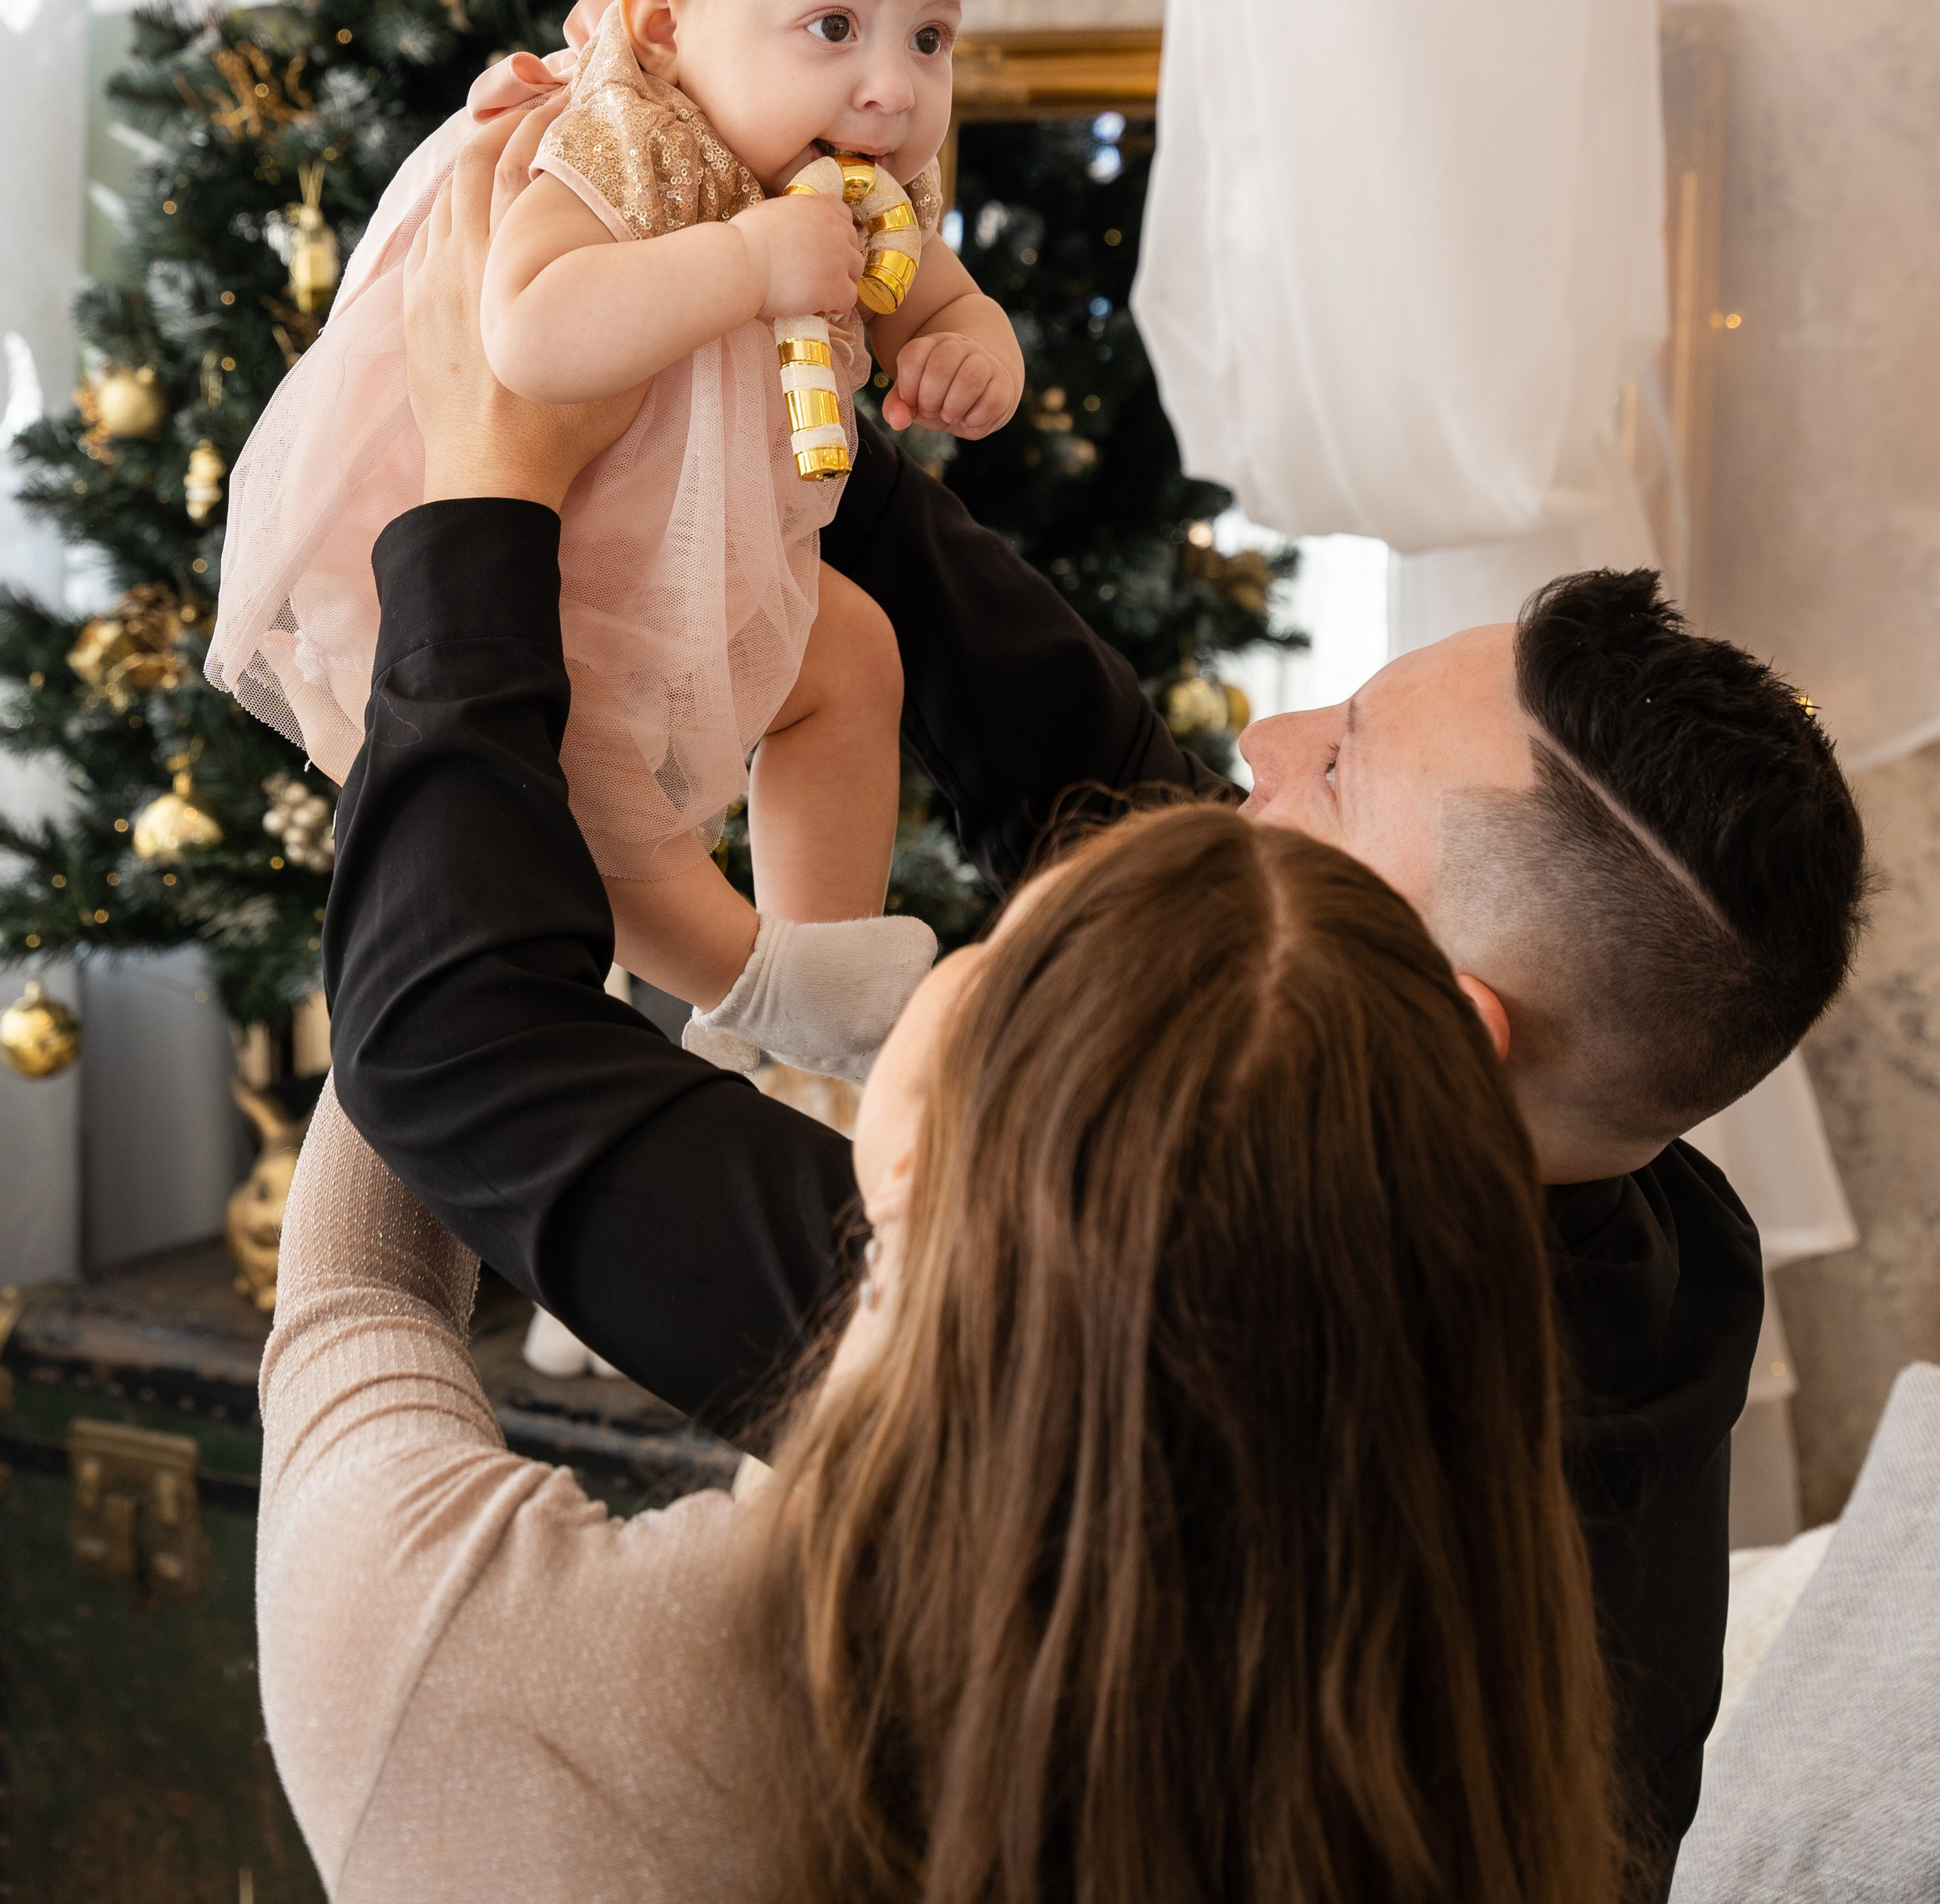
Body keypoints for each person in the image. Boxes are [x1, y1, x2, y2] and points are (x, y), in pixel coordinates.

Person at [324, 111, 1865, 1887]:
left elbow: (459, 1048)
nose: (1262, 741)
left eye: (1340, 770)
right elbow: (1117, 797)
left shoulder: (1126, 1306)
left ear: (1449, 1026)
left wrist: (480, 496)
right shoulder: (1659, 1212)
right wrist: (789, 381)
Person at [211, 0, 1029, 1065]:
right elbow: (529, 330)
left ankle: (805, 1002)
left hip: (707, 572)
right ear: (660, 28)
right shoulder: (618, 146)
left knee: (858, 660)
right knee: (591, 800)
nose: (892, 87)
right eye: (835, 27)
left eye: (926, 36)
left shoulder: (855, 180)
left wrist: (974, 350)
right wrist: (748, 266)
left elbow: (943, 299)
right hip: (544, 588)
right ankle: (748, 979)